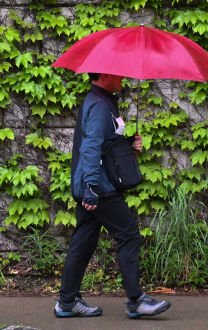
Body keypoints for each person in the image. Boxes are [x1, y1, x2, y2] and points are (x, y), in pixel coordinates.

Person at [54, 72, 171, 319]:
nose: (122, 78)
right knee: (129, 235)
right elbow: (90, 146)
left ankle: (67, 301)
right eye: (117, 74)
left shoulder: (103, 100)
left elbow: (105, 145)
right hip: (100, 188)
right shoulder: (99, 104)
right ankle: (136, 300)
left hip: (94, 184)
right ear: (105, 74)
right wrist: (92, 187)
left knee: (83, 242)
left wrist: (128, 145)